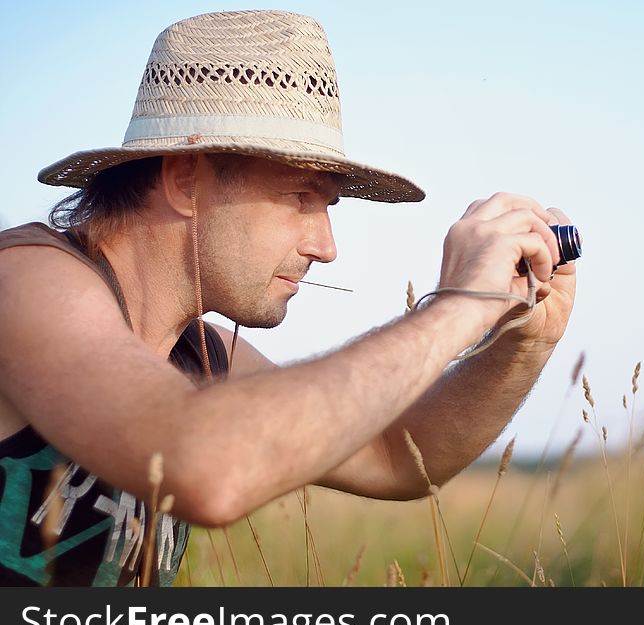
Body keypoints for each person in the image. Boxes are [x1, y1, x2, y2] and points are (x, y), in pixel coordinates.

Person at [0, 10, 576, 586]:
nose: (326, 247)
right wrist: (459, 303)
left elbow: (400, 458)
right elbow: (205, 467)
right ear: (184, 180)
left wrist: (523, 342)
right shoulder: (22, 280)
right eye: (301, 197)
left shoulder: (199, 355)